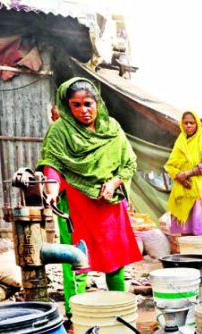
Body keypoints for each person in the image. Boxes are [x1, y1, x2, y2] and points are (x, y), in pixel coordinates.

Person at [38, 78, 141, 315]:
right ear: (67, 106)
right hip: (76, 205)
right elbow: (51, 163)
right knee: (77, 262)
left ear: (98, 103)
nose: (84, 110)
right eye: (76, 105)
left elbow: (129, 163)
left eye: (88, 103)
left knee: (114, 262)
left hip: (108, 206)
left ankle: (119, 309)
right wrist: (52, 190)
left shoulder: (112, 128)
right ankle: (76, 316)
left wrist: (115, 182)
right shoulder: (60, 131)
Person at [165, 110, 202, 236]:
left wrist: (186, 174)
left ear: (197, 123)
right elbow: (170, 164)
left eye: (192, 123)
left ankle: (197, 248)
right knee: (183, 226)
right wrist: (181, 178)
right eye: (186, 122)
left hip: (198, 187)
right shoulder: (180, 140)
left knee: (197, 220)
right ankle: (183, 249)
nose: (188, 125)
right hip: (181, 185)